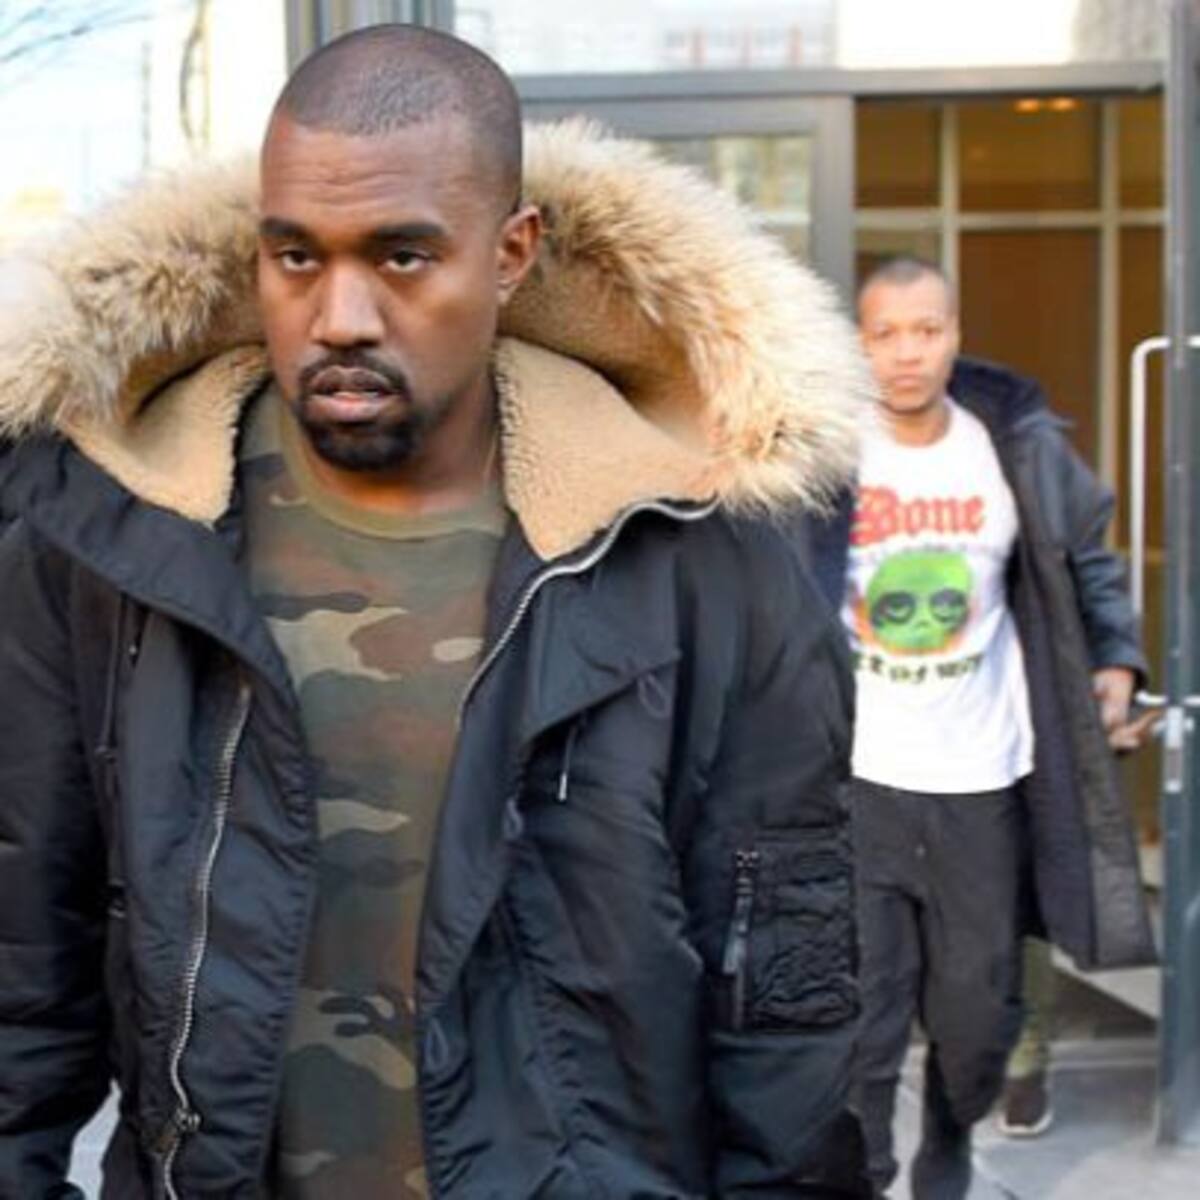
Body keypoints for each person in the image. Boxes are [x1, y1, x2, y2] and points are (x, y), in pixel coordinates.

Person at [0, 25, 875, 1200]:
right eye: (295, 257)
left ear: (512, 253)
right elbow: (22, 959)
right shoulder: (113, 536)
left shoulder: (693, 551)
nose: (340, 315)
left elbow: (785, 997)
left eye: (402, 257)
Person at [803, 256, 1154, 1199]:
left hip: (984, 776)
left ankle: (950, 1134)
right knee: (865, 1015)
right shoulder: (825, 457)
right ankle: (867, 1175)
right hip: (861, 779)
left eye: (927, 330)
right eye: (885, 333)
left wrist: (1117, 657)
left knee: (976, 1015)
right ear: (859, 344)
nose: (907, 352)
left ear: (955, 334)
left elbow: (1086, 557)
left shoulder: (1015, 448)